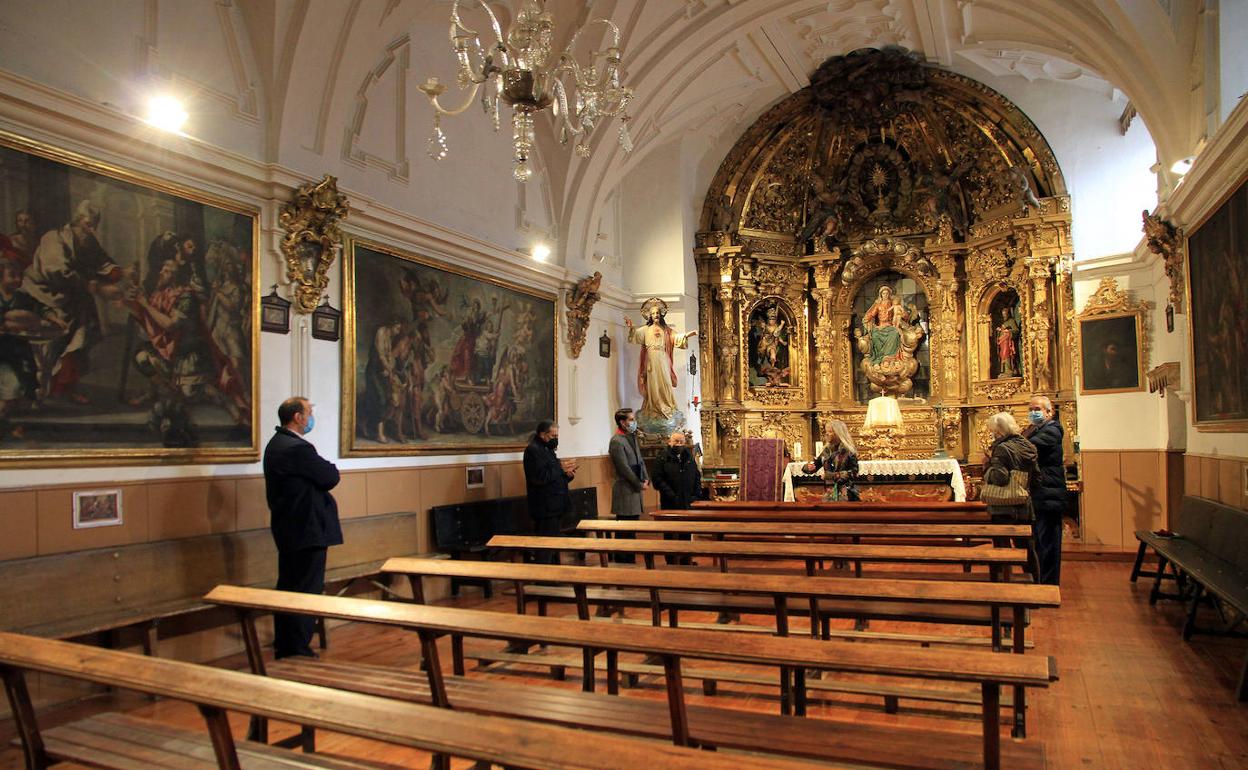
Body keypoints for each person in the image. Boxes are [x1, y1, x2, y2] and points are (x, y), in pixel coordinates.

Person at [263, 397, 342, 659]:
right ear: (297, 417)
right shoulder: (296, 448)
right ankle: (296, 647)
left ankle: (286, 644)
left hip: (290, 528)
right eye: (308, 413)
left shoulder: (276, 444)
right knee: (305, 590)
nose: (310, 418)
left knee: (289, 586)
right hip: (306, 529)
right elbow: (330, 476)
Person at [983, 411, 1040, 579]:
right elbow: (1037, 477)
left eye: (993, 430)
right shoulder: (1027, 445)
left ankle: (1002, 586)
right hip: (1024, 504)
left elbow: (1000, 477)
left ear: (999, 431)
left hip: (1003, 507)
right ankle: (1035, 585)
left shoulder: (1001, 448)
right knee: (1028, 548)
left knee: (1001, 549)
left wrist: (987, 467)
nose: (992, 433)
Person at [624, 299, 696, 424]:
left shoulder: (666, 330)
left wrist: (687, 335)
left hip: (663, 359)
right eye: (653, 313)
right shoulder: (646, 330)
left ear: (661, 315)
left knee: (665, 382)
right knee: (653, 384)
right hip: (651, 359)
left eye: (657, 313)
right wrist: (631, 327)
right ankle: (653, 408)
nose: (656, 315)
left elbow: (676, 338)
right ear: (650, 316)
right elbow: (635, 335)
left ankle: (667, 406)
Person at [1022, 395, 1065, 585]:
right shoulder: (1035, 428)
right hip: (1040, 492)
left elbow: (1028, 448)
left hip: (1049, 493)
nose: (1033, 413)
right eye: (1030, 409)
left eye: (1037, 409)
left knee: (1049, 543)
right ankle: (1038, 580)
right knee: (1037, 541)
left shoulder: (1053, 429)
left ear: (1049, 412)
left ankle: (1048, 584)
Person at [523, 420, 576, 565]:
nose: (555, 439)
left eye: (557, 436)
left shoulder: (548, 449)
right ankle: (543, 575)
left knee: (554, 542)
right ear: (542, 434)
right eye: (553, 436)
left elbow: (554, 476)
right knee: (545, 544)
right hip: (545, 506)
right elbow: (540, 478)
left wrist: (567, 475)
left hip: (556, 504)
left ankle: (553, 571)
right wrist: (561, 469)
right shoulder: (533, 451)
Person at [652, 431, 702, 565]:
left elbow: (696, 475)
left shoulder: (689, 457)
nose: (678, 444)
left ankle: (686, 559)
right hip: (670, 502)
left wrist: (696, 494)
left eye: (681, 442)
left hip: (687, 501)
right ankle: (672, 561)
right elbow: (657, 480)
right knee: (670, 532)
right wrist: (672, 495)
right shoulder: (662, 457)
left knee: (686, 532)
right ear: (670, 442)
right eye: (676, 441)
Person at [608, 407, 649, 564]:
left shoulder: (631, 437)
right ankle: (622, 561)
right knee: (624, 530)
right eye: (631, 420)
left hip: (635, 490)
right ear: (622, 422)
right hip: (625, 490)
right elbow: (623, 468)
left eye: (633, 419)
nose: (634, 422)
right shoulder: (616, 441)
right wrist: (639, 484)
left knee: (632, 529)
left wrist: (645, 478)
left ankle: (629, 560)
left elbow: (640, 461)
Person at [802, 420, 860, 501]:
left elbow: (854, 473)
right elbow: (815, 465)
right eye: (826, 431)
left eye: (830, 432)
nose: (826, 434)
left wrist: (831, 476)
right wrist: (808, 468)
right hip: (829, 493)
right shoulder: (826, 451)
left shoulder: (848, 451)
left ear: (838, 433)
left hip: (846, 494)